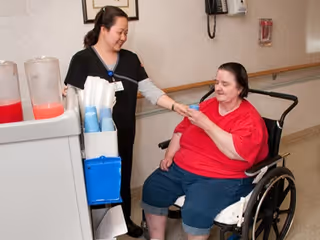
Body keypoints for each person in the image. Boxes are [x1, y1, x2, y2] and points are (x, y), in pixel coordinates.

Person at [63, 5, 188, 238]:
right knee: (96, 178)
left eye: (126, 32)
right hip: (92, 136)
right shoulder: (81, 60)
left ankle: (124, 219)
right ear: (103, 29)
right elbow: (71, 96)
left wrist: (174, 105)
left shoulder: (130, 60)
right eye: (119, 32)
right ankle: (96, 224)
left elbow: (149, 89)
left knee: (123, 173)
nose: (123, 37)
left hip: (124, 131)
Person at [141, 62, 269, 240]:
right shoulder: (207, 106)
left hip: (221, 178)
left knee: (196, 211)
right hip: (182, 167)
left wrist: (206, 124)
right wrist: (169, 155)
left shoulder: (249, 119)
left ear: (240, 88)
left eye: (225, 84)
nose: (218, 88)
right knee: (153, 188)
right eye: (216, 83)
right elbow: (180, 130)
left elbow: (235, 153)